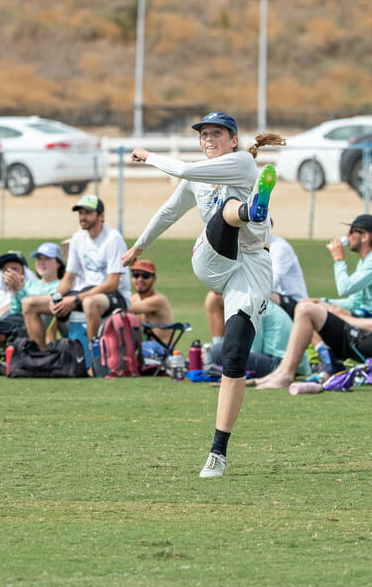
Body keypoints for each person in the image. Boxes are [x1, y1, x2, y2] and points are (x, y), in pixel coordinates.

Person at [121, 111, 284, 478]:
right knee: (227, 211)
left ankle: (217, 453)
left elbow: (182, 170)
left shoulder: (242, 163)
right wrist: (139, 248)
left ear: (233, 141)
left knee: (235, 355)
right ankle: (249, 210)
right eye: (204, 134)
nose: (208, 139)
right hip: (211, 259)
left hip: (251, 268)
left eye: (216, 133)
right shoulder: (201, 176)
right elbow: (168, 211)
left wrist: (148, 156)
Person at [255, 235, 372, 390]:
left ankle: (286, 373)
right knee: (309, 306)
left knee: (305, 309)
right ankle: (283, 371)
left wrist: (340, 316)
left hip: (365, 344)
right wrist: (338, 311)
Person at [23, 194, 131, 350]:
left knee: (90, 303)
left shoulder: (113, 238)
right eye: (80, 213)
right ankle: (39, 357)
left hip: (114, 295)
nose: (82, 217)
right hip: (82, 293)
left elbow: (113, 284)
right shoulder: (77, 238)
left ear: (101, 216)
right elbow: (68, 278)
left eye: (87, 212)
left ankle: (95, 359)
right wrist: (57, 297)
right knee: (29, 303)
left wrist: (75, 300)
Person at [205, 225, 308, 343]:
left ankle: (245, 348)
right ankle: (218, 348)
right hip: (259, 293)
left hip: (295, 305)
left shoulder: (279, 247)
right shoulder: (243, 247)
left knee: (259, 296)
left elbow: (270, 284)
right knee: (213, 298)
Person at [210, 301, 311, 379]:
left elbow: (253, 349)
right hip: (295, 365)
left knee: (216, 351)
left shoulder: (251, 308)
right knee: (221, 350)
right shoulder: (262, 303)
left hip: (280, 364)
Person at [0, 251, 36, 343]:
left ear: (24, 272)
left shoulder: (33, 290)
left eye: (14, 269)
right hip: (2, 327)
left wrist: (19, 288)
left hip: (22, 327)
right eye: (6, 270)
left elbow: (32, 312)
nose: (10, 273)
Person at [127, 259, 175, 346]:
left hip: (161, 350)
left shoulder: (158, 300)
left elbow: (127, 309)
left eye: (145, 276)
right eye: (136, 275)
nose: (140, 279)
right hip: (142, 347)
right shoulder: (132, 298)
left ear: (154, 279)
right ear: (131, 277)